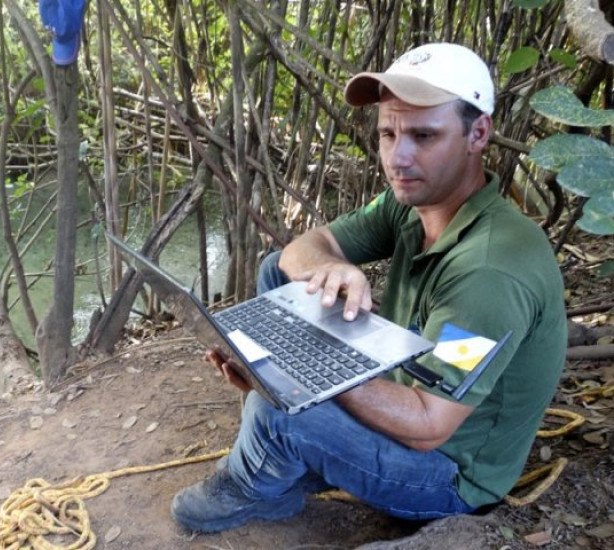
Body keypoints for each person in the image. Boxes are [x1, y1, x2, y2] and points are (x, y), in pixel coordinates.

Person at [171, 42, 567, 533]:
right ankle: (289, 432)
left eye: (424, 135)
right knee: (279, 274)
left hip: (446, 474)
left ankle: (261, 476)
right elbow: (301, 250)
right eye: (387, 132)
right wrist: (333, 268)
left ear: (477, 133)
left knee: (282, 412)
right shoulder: (415, 200)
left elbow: (427, 427)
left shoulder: (491, 273)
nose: (398, 157)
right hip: (404, 380)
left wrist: (298, 374)